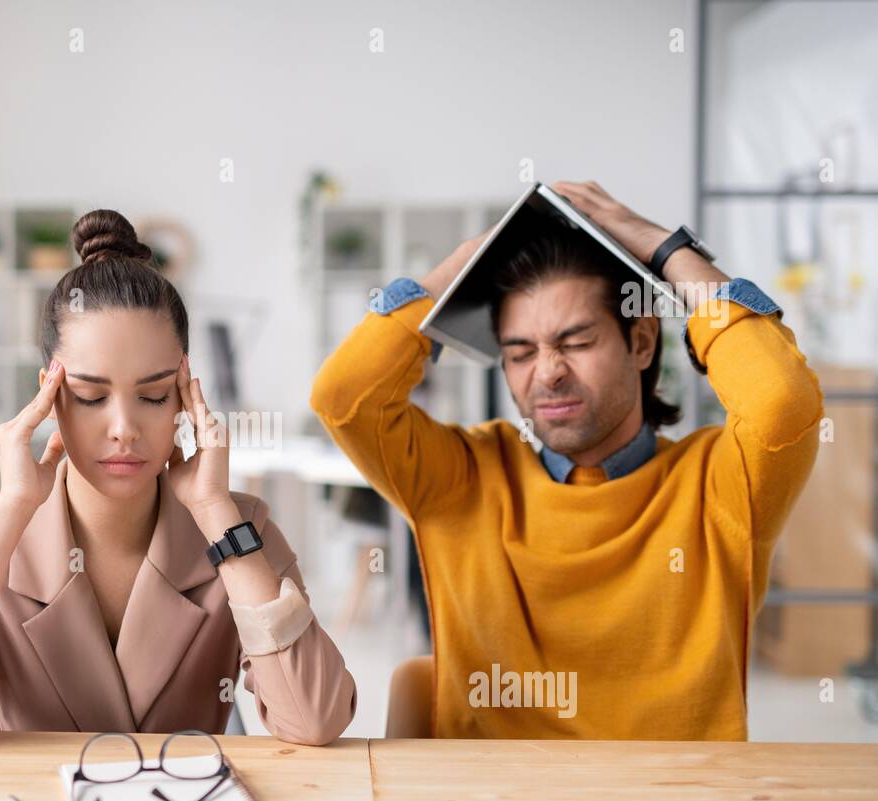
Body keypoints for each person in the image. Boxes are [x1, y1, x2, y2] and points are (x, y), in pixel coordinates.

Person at [310, 180, 822, 740]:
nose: (547, 372)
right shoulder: (462, 479)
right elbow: (343, 397)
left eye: (575, 342)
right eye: (520, 352)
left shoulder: (720, 487)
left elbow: (780, 401)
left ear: (642, 343)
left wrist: (666, 248)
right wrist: (466, 262)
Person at [0, 209, 356, 751]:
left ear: (184, 397)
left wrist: (216, 508)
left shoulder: (241, 529)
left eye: (151, 396)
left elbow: (317, 719)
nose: (123, 429)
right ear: (49, 397)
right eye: (90, 397)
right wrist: (11, 514)